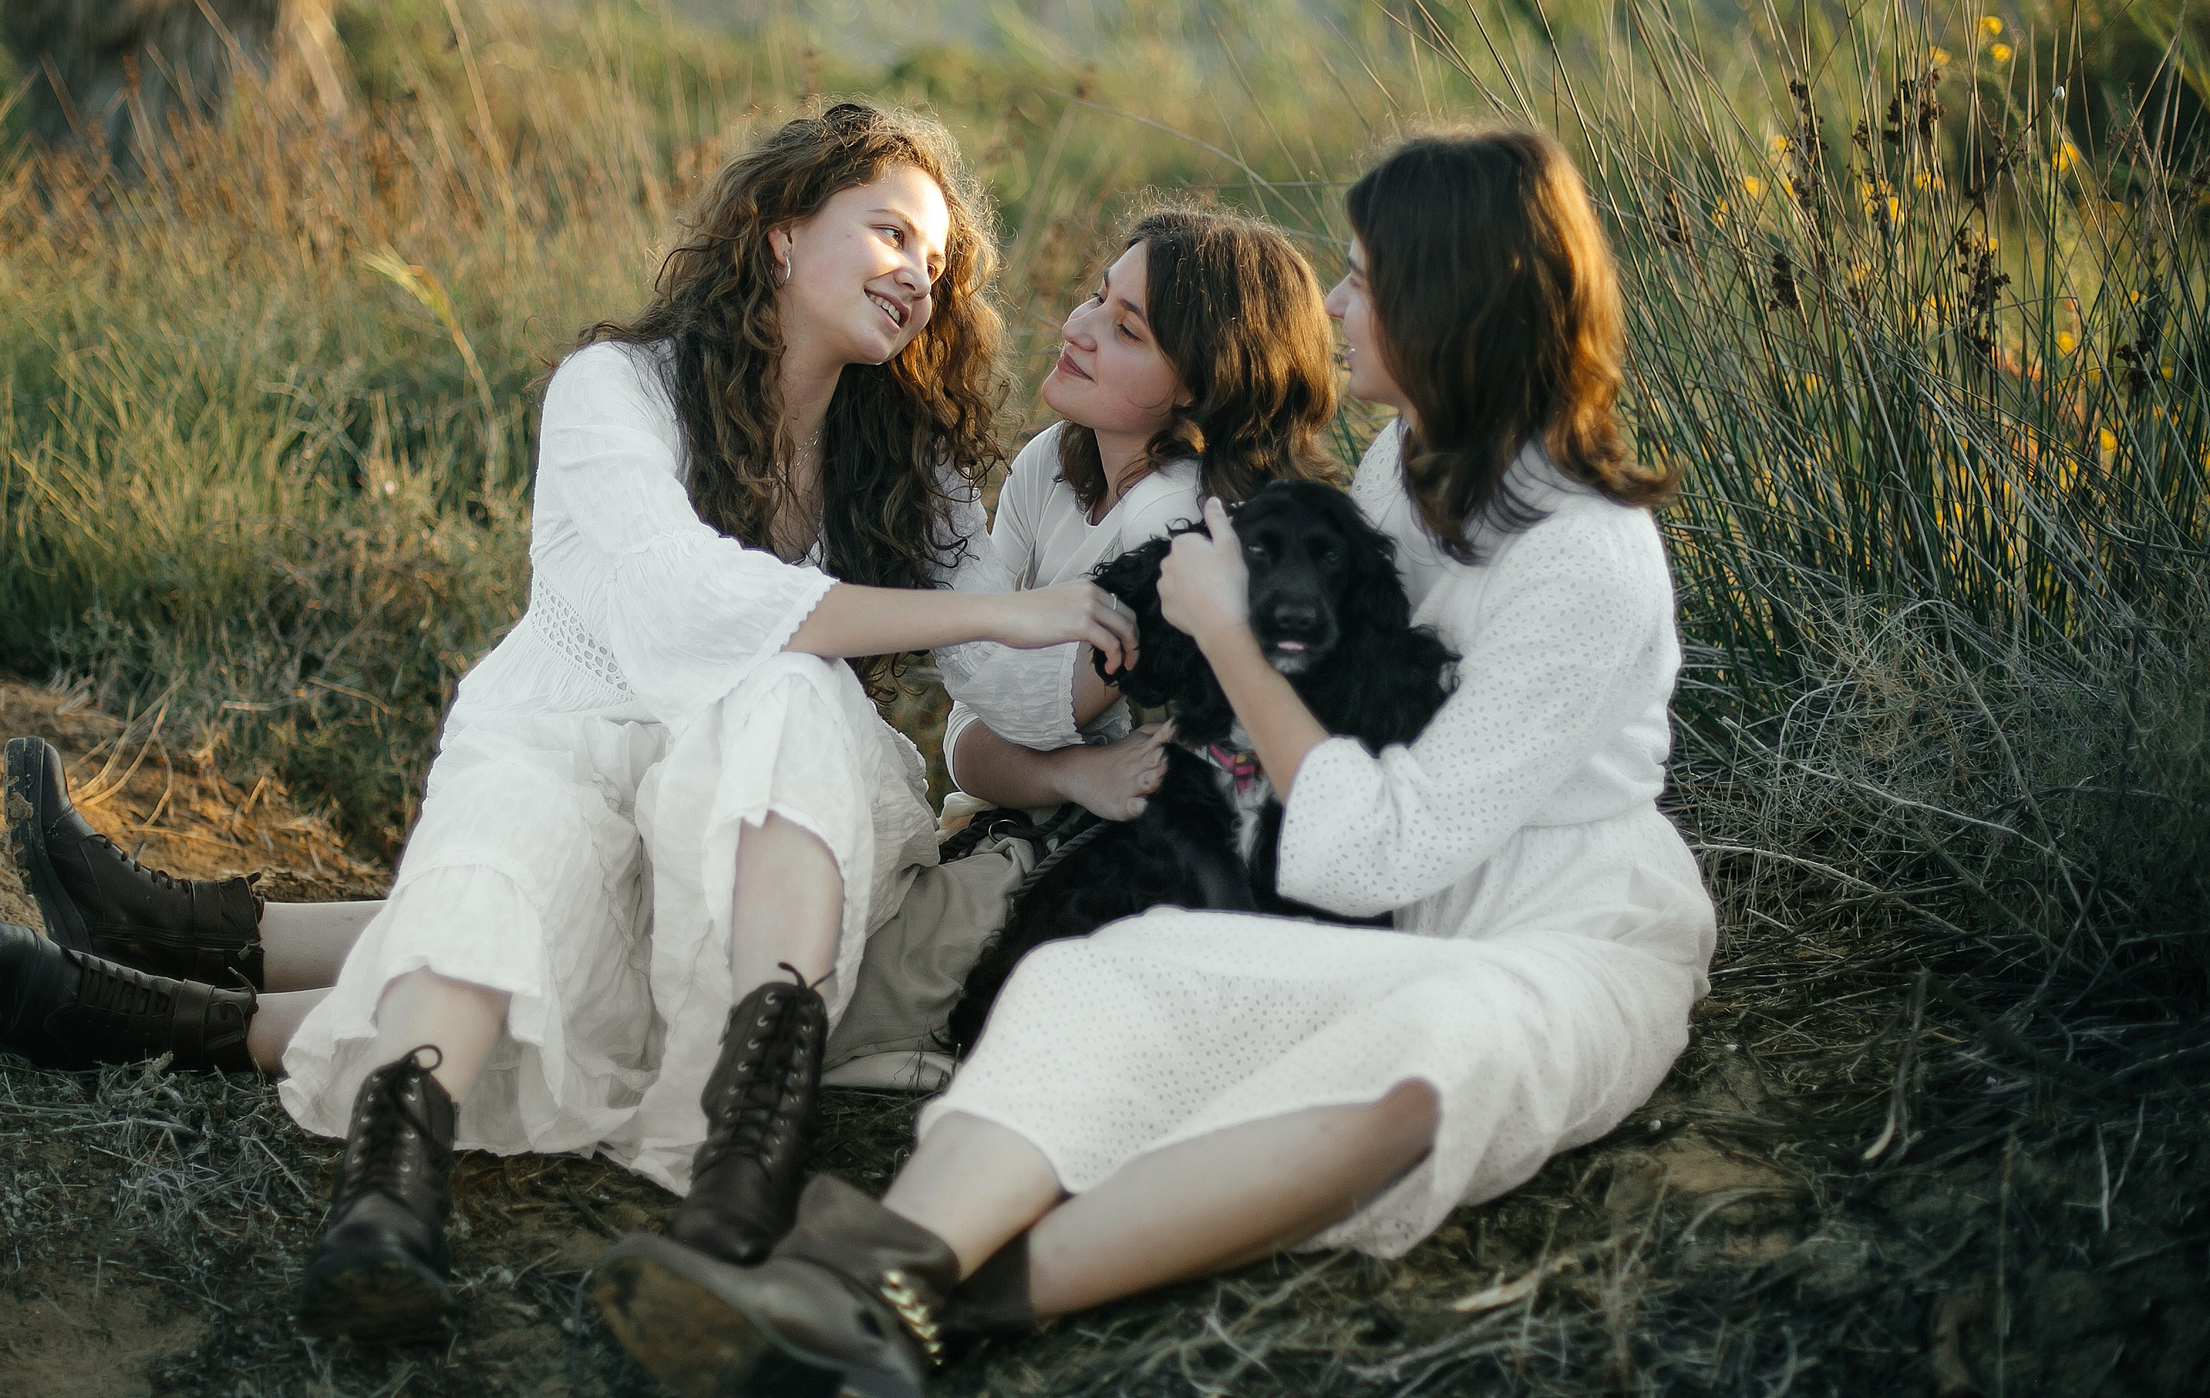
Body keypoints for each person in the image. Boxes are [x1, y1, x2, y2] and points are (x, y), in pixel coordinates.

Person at [0, 100, 1143, 1345]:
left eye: (935, 262)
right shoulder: (617, 389)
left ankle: (743, 1164)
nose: (917, 277)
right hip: (574, 754)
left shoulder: (904, 466)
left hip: (761, 838)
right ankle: (379, 1207)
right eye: (890, 233)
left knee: (785, 694)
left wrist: (1142, 604)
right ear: (781, 233)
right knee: (520, 830)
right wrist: (1003, 614)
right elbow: (683, 598)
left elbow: (1015, 686)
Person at [587, 127, 1719, 1398]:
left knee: (1439, 1045)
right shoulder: (1405, 467)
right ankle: (870, 1268)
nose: (1332, 305)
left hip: (1550, 940)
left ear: (1451, 303)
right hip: (1373, 915)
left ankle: (916, 1306)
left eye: (1362, 280)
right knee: (1108, 970)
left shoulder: (1584, 556)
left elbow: (1370, 848)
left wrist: (1225, 635)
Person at [816, 205, 1344, 1090]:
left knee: (844, 991)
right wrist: (1069, 773)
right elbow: (973, 733)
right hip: (1030, 817)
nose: (1078, 327)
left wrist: (931, 488)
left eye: (1127, 328)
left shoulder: (1175, 528)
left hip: (1118, 859)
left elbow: (1018, 712)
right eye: (1098, 298)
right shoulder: (1050, 469)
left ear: (1202, 384)